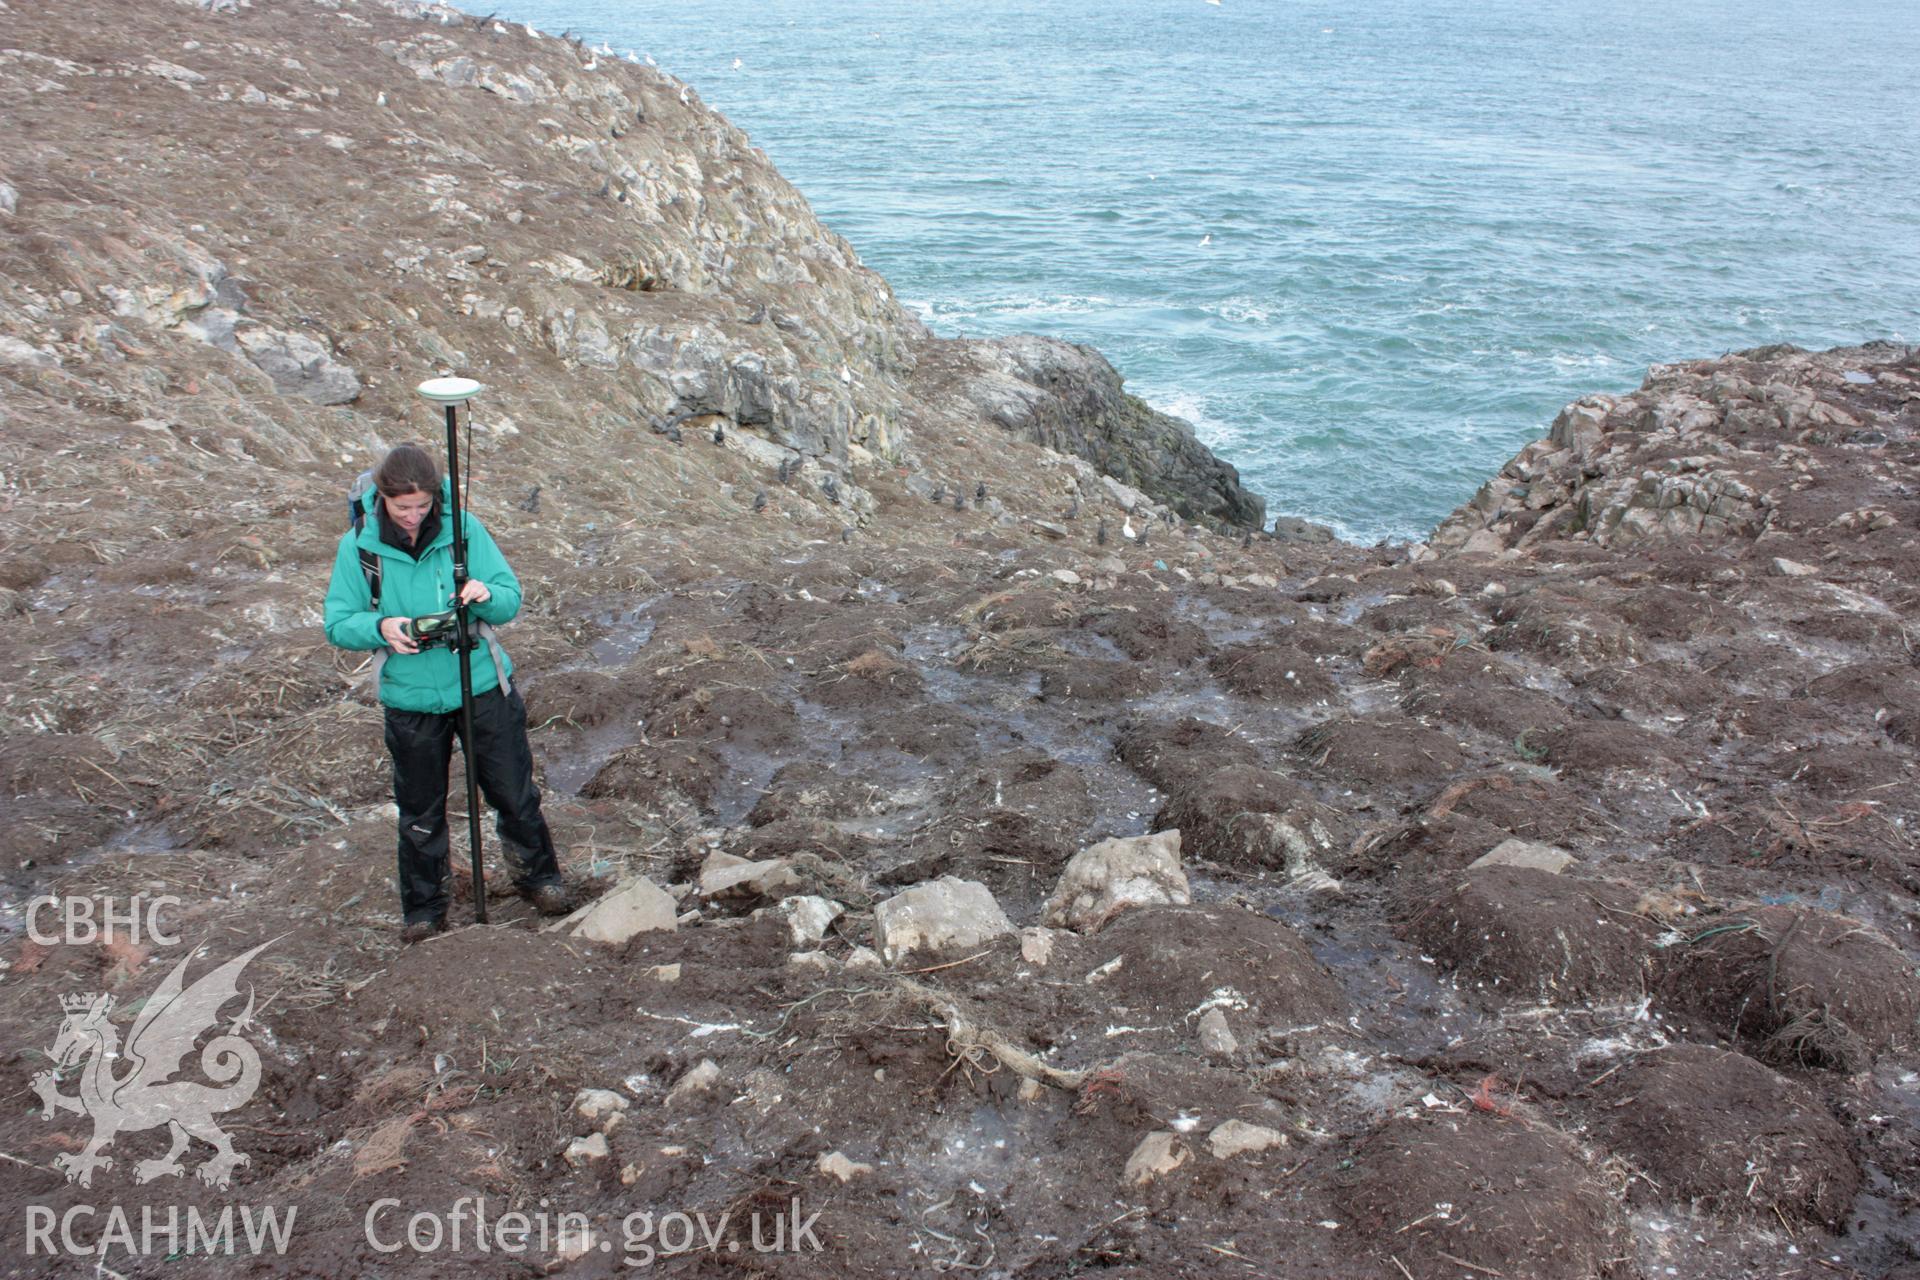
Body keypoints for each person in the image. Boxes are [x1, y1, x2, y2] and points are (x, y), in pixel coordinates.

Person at [323, 443, 572, 942]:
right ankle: (424, 911)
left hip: (480, 684)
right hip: (410, 700)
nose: (414, 517)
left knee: (514, 793)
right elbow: (338, 622)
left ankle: (540, 879)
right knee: (420, 812)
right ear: (382, 501)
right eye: (402, 508)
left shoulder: (463, 529)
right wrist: (382, 626)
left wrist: (485, 596)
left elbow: (509, 599)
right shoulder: (359, 547)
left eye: (422, 505)